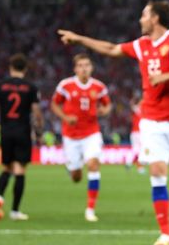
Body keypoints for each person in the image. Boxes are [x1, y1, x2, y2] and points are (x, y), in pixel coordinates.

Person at [58, 0, 169, 245]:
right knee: (157, 171)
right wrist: (80, 39)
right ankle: (166, 234)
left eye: (144, 15)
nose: (140, 20)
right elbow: (111, 48)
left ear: (155, 18)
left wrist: (166, 77)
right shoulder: (140, 45)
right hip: (151, 119)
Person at [0, 53, 44, 221]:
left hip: (5, 132)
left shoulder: (0, 86)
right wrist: (39, 132)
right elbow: (37, 113)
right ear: (25, 69)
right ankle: (14, 211)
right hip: (22, 132)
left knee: (5, 168)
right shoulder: (30, 87)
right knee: (20, 170)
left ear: (10, 68)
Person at [51, 53, 112, 222]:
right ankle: (72, 167)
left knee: (93, 164)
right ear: (75, 68)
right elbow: (54, 103)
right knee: (77, 177)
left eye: (87, 65)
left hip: (91, 133)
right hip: (71, 135)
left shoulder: (99, 87)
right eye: (81, 66)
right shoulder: (66, 85)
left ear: (91, 67)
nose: (84, 69)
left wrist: (104, 111)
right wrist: (65, 117)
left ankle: (90, 210)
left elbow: (107, 104)